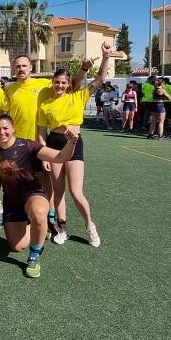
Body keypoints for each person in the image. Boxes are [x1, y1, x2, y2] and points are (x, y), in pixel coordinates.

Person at [36, 42, 111, 249]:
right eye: (56, 82)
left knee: (76, 192)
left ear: (69, 84)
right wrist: (44, 158)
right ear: (52, 82)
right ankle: (62, 228)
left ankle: (90, 226)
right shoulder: (45, 104)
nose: (59, 86)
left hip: (74, 144)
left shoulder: (78, 96)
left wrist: (105, 56)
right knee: (57, 191)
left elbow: (100, 79)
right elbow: (41, 134)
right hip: (53, 145)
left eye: (63, 83)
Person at [0, 114, 80, 278]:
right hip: (12, 201)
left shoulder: (28, 145)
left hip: (33, 194)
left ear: (13, 128)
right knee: (17, 246)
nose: (1, 132)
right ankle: (40, 228)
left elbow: (60, 157)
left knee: (38, 213)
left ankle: (34, 256)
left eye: (5, 128)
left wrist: (72, 141)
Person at [5, 54, 87, 237]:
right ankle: (24, 217)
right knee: (20, 181)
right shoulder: (9, 89)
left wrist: (83, 69)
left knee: (46, 184)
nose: (21, 69)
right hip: (18, 144)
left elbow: (73, 83)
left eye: (24, 66)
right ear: (14, 68)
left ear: (31, 68)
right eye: (17, 66)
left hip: (39, 144)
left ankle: (50, 220)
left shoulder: (44, 85)